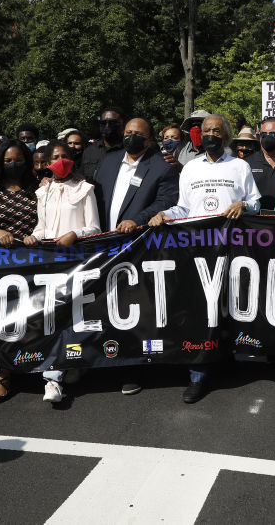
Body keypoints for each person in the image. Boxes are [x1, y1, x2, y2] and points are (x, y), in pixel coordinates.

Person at [149, 115, 261, 404]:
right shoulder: (189, 169)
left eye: (217, 131)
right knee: (201, 310)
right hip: (197, 250)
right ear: (200, 136)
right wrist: (165, 215)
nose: (211, 134)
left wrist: (244, 204)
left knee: (229, 304)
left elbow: (257, 204)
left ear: (226, 136)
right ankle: (197, 375)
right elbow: (183, 207)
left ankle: (228, 359)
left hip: (233, 248)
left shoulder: (240, 166)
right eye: (207, 130)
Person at [94, 118, 179, 395]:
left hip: (136, 247)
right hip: (101, 246)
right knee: (101, 308)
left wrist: (136, 219)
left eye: (137, 134)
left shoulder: (161, 167)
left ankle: (132, 367)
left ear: (150, 138)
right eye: (128, 132)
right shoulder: (109, 161)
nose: (131, 137)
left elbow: (165, 202)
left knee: (133, 311)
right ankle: (99, 361)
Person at [26, 140, 101, 404]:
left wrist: (75, 234)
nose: (61, 160)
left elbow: (94, 228)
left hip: (76, 261)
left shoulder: (85, 189)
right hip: (48, 263)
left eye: (66, 156)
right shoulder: (42, 193)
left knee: (73, 317)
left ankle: (65, 369)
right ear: (47, 164)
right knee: (51, 318)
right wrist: (32, 237)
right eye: (55, 157)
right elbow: (41, 226)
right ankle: (53, 379)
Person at [0, 139, 39, 404]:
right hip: (3, 262)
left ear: (26, 161)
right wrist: (1, 232)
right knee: (6, 319)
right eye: (7, 161)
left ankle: (46, 368)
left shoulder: (38, 187)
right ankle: (2, 374)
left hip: (37, 258)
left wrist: (36, 235)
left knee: (38, 316)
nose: (12, 164)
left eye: (18, 160)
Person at [81, 107, 125, 180]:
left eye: (112, 123)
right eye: (103, 123)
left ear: (122, 124)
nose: (107, 126)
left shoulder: (129, 151)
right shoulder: (89, 151)